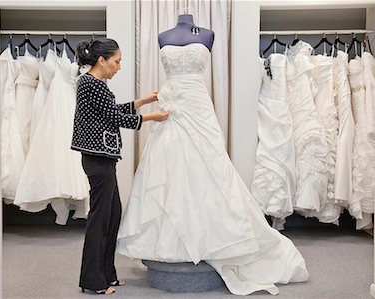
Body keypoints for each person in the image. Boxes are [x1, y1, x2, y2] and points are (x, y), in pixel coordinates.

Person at [116, 15, 309, 295]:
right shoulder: (163, 35)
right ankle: (171, 242)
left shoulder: (208, 33)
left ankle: (213, 238)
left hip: (196, 103)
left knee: (206, 166)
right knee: (169, 167)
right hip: (171, 104)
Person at [71, 38, 169, 295]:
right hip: (98, 160)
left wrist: (144, 101)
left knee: (112, 214)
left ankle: (107, 274)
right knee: (100, 219)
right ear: (102, 61)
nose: (119, 66)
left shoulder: (94, 84)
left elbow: (111, 110)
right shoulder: (90, 84)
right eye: (117, 61)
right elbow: (115, 117)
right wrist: (151, 117)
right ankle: (93, 281)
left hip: (103, 159)